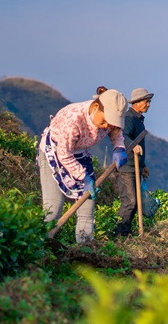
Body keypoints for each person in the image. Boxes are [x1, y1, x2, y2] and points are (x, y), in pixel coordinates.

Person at [38, 86, 129, 243]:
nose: (107, 126)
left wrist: (119, 147)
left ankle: (85, 252)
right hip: (56, 152)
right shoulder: (73, 119)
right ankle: (38, 249)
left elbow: (116, 134)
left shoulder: (109, 121)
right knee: (53, 208)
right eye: (105, 121)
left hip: (80, 154)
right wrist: (84, 178)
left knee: (87, 206)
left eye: (112, 123)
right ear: (95, 107)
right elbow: (64, 154)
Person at [113, 87, 153, 237]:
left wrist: (143, 166)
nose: (148, 104)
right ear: (136, 102)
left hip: (135, 167)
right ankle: (120, 234)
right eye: (146, 101)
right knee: (130, 202)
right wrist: (133, 145)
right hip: (126, 168)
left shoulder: (139, 121)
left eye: (149, 102)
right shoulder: (129, 118)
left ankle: (126, 232)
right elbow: (122, 136)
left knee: (135, 203)